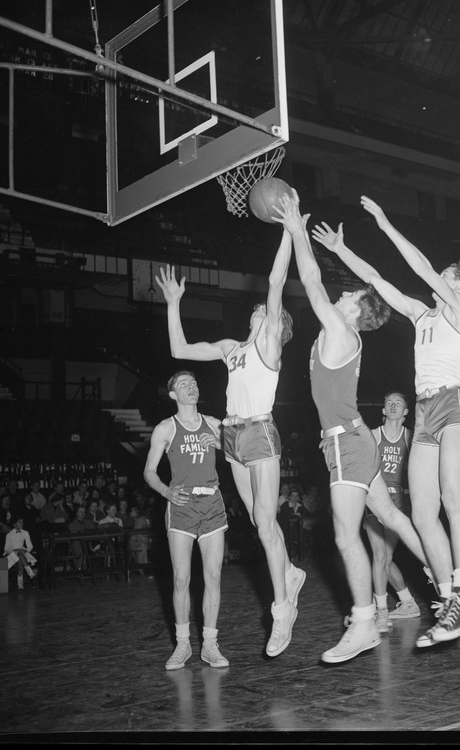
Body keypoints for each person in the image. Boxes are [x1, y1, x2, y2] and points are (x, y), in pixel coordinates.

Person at [309, 195, 460, 648]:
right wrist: (339, 250)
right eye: (442, 274)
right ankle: (447, 599)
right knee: (422, 513)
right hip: (424, 409)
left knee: (451, 498)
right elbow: (375, 279)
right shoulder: (419, 313)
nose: (439, 277)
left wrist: (386, 224)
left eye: (449, 276)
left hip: (454, 404)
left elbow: (423, 268)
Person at [274, 191, 431, 664]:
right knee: (392, 517)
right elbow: (325, 282)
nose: (342, 294)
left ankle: (364, 621)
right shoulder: (340, 333)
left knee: (345, 534)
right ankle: (444, 576)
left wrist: (298, 232)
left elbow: (311, 278)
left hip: (347, 444)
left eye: (350, 296)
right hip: (353, 439)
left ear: (357, 312)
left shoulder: (342, 331)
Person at [155, 225, 306, 660]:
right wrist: (173, 303)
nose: (260, 310)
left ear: (277, 325)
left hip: (259, 432)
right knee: (260, 524)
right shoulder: (230, 347)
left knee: (264, 518)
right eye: (259, 310)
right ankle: (291, 573)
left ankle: (282, 610)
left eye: (268, 312)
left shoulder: (269, 347)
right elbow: (180, 347)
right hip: (232, 436)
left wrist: (290, 232)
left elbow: (276, 281)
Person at [144, 370, 230, 670]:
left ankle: (209, 644)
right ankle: (182, 645)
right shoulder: (165, 429)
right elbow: (149, 472)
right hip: (181, 504)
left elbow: (244, 455)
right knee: (181, 578)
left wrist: (222, 444)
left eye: (193, 383)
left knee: (214, 576)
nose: (191, 387)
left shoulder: (215, 424)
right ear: (173, 395)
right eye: (184, 385)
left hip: (212, 502)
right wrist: (167, 491)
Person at [367, 390, 424, 627]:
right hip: (372, 500)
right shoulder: (372, 436)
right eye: (388, 402)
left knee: (386, 558)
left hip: (397, 503)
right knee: (380, 556)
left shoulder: (411, 438)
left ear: (405, 412)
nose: (392, 405)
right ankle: (381, 610)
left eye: (398, 403)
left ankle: (406, 602)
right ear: (383, 410)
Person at [3, 516, 38, 591]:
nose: (22, 524)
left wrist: (26, 550)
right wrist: (15, 550)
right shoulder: (9, 534)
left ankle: (20, 585)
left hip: (22, 553)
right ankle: (30, 572)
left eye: (22, 522)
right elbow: (6, 548)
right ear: (14, 524)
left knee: (20, 561)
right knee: (19, 552)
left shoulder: (25, 532)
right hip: (11, 554)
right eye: (19, 522)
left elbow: (30, 546)